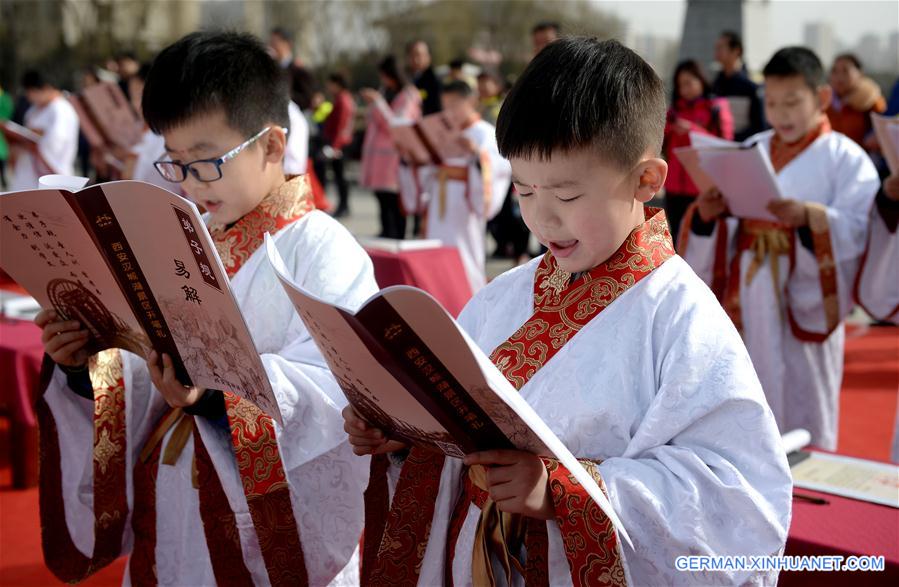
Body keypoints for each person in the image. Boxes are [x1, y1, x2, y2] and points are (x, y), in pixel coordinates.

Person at [349, 38, 792, 586]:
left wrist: (564, 489)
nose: (542, 219)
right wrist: (404, 437)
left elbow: (738, 498)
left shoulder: (681, 316)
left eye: (566, 195)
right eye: (524, 191)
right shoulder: (501, 297)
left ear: (646, 181)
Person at [33, 31, 377, 586]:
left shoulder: (321, 248)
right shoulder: (185, 239)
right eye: (175, 163)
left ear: (271, 145)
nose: (191, 183)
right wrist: (87, 364)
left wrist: (214, 395)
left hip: (262, 525)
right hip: (170, 504)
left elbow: (334, 388)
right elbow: (146, 373)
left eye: (207, 161)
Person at [680, 47, 880, 450]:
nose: (781, 114)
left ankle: (811, 467)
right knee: (746, 390)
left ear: (821, 98)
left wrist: (811, 220)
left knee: (803, 389)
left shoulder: (847, 158)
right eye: (771, 103)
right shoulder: (752, 146)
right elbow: (725, 221)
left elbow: (862, 231)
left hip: (804, 291)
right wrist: (710, 214)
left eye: (792, 102)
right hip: (748, 289)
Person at [406, 80, 511, 292]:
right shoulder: (442, 130)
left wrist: (476, 154)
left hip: (465, 204)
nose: (449, 111)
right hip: (439, 199)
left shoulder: (484, 132)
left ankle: (468, 296)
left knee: (464, 252)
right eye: (446, 105)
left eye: (455, 104)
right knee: (436, 249)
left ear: (471, 101)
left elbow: (499, 167)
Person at [663, 59, 734, 246]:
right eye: (680, 85)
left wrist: (692, 130)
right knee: (677, 238)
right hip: (674, 187)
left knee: (702, 241)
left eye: (688, 83)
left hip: (703, 188)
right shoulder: (674, 111)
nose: (684, 89)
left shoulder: (716, 107)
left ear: (701, 80)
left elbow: (724, 144)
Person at [360, 55, 422, 239]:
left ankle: (397, 239)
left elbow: (396, 124)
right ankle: (387, 235)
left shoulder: (409, 95)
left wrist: (378, 103)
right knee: (382, 200)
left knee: (395, 203)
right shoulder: (386, 91)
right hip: (377, 158)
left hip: (394, 159)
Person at [8, 70, 79, 191]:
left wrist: (33, 140)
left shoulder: (61, 109)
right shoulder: (33, 110)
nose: (29, 97)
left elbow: (56, 143)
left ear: (46, 88)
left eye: (31, 92)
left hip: (52, 176)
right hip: (27, 172)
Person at [712, 31, 766, 141]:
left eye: (721, 48)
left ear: (736, 50)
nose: (716, 52)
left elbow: (760, 126)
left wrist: (733, 139)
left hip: (744, 148)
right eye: (716, 48)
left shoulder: (752, 85)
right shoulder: (715, 84)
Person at [827, 53, 887, 151]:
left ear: (860, 73)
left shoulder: (872, 102)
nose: (839, 76)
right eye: (834, 71)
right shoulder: (822, 103)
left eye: (845, 71)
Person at [321, 72, 355, 217]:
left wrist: (335, 146)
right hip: (340, 143)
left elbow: (341, 126)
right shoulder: (343, 99)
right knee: (339, 177)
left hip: (340, 144)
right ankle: (343, 205)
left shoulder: (342, 100)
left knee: (341, 177)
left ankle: (344, 205)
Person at [406, 39, 442, 115]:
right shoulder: (405, 78)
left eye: (418, 54)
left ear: (428, 56)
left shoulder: (434, 81)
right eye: (412, 55)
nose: (415, 59)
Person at [0, 82, 12, 188]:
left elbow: (7, 113)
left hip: (2, 134)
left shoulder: (4, 98)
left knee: (2, 159)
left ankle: (3, 178)